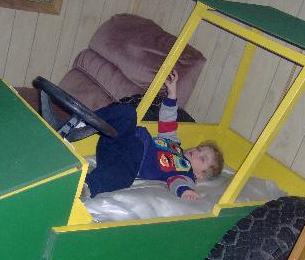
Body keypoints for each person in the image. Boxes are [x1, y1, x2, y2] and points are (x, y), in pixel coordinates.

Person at [84, 70, 223, 200]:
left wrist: (186, 191)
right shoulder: (174, 143)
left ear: (201, 174)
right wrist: (172, 93)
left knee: (122, 178)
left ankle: (87, 186)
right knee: (128, 113)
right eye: (199, 149)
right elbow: (168, 119)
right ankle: (83, 121)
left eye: (202, 158)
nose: (196, 152)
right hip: (118, 141)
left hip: (129, 162)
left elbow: (177, 183)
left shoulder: (185, 173)